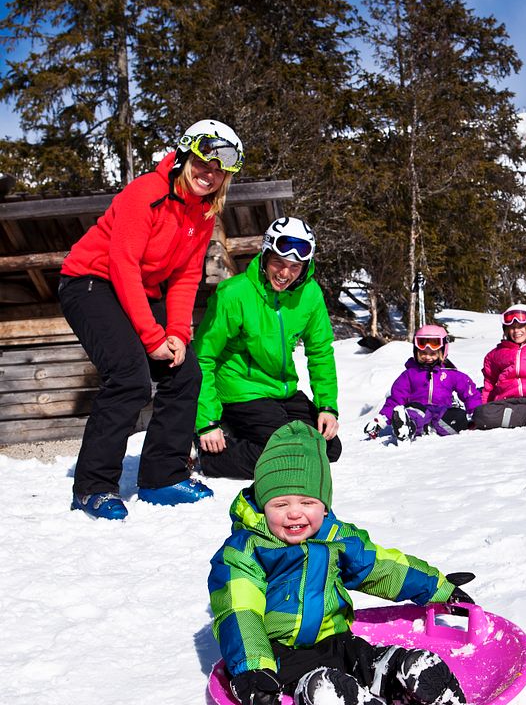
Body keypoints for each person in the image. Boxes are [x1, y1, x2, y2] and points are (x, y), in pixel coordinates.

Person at [208, 420, 471, 705]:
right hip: (277, 651)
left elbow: (381, 567)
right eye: (280, 504)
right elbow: (239, 611)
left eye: (307, 502)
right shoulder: (245, 550)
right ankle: (327, 700)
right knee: (307, 682)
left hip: (336, 639)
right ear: (263, 505)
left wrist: (438, 587)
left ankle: (404, 679)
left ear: (324, 504)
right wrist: (253, 670)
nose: (294, 513)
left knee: (364, 659)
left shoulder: (335, 537)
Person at [59, 120, 244, 520]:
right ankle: (93, 486)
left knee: (186, 373)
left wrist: (176, 333)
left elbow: (185, 276)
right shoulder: (146, 192)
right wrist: (150, 337)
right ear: (184, 156)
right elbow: (122, 265)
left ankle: (162, 476)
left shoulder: (204, 214)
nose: (208, 175)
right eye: (202, 162)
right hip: (90, 281)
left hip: (143, 289)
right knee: (129, 376)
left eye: (219, 171)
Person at [194, 216, 341, 480]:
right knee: (289, 452)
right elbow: (203, 356)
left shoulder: (310, 295)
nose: (285, 274)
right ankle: (211, 457)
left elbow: (320, 351)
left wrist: (327, 407)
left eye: (295, 267)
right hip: (241, 390)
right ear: (264, 256)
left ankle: (246, 436)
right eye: (278, 263)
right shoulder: (234, 294)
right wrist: (206, 421)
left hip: (282, 390)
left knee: (329, 447)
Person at [364, 324, 481, 443]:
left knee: (457, 417)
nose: (427, 357)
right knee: (412, 413)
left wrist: (476, 413)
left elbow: (470, 393)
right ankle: (406, 427)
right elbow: (396, 399)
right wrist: (380, 421)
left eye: (433, 353)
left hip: (442, 413)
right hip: (419, 411)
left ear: (443, 352)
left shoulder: (451, 374)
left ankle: (438, 427)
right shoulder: (410, 374)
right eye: (423, 353)